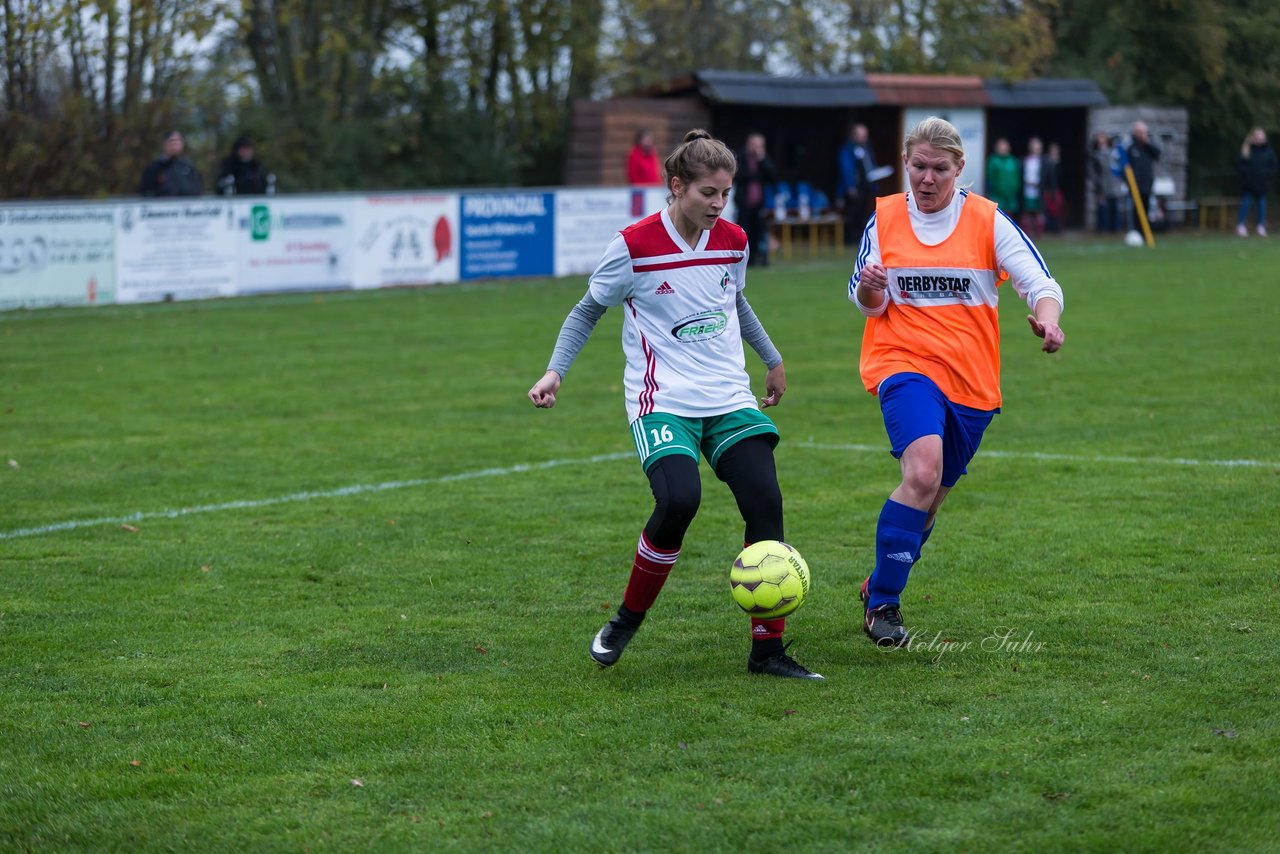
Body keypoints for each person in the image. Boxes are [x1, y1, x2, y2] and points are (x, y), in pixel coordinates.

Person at [528, 129, 822, 680]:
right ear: (676, 185)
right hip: (662, 400)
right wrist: (554, 371)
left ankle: (768, 651)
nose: (718, 204)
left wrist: (772, 357)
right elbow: (585, 311)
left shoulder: (733, 239)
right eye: (708, 192)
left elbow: (734, 300)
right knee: (678, 501)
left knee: (765, 500)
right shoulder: (634, 245)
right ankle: (626, 620)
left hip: (728, 394)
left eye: (725, 193)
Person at [846, 116, 1065, 647]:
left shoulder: (988, 221)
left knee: (929, 501)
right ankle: (884, 607)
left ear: (959, 168)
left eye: (938, 169)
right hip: (903, 365)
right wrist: (873, 288)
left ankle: (880, 580)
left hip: (970, 381)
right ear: (905, 164)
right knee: (922, 473)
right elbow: (865, 303)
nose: (926, 178)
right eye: (917, 166)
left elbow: (1041, 283)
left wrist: (1049, 318)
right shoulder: (883, 221)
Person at [732, 132, 776, 267]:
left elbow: (773, 176)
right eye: (755, 145)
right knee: (744, 231)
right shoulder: (740, 157)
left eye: (760, 145)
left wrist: (762, 161)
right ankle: (742, 259)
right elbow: (740, 175)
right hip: (744, 202)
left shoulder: (763, 160)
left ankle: (757, 258)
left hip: (759, 202)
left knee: (759, 232)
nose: (757, 148)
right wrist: (756, 176)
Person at [837, 123, 879, 247]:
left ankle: (861, 238)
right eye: (860, 135)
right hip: (854, 188)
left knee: (863, 213)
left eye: (865, 135)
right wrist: (850, 186)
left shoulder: (867, 149)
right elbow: (846, 168)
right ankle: (849, 239)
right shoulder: (847, 150)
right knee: (852, 214)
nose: (863, 138)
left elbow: (870, 165)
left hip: (866, 187)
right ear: (854, 136)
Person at [1235, 127, 1276, 237]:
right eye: (1257, 136)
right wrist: (1247, 174)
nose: (1259, 139)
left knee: (1261, 204)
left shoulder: (1268, 152)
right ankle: (1240, 225)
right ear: (1252, 138)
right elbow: (1239, 165)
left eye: (1261, 136)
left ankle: (1260, 226)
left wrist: (1267, 174)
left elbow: (1274, 166)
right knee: (1246, 203)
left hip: (1262, 183)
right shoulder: (1246, 150)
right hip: (1248, 184)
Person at [139, 130, 202, 197]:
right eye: (172, 141)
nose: (175, 145)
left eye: (178, 142)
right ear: (165, 144)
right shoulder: (155, 168)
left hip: (186, 206)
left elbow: (197, 191)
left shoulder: (189, 168)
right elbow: (147, 192)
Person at [1126, 121, 1161, 232]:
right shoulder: (1131, 148)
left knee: (1147, 208)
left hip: (1147, 183)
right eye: (1139, 132)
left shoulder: (1148, 146)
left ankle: (1146, 231)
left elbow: (1157, 154)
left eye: (1143, 132)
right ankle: (1135, 231)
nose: (1141, 134)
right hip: (1135, 184)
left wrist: (1147, 143)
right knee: (1136, 209)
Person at [1088, 132, 1118, 233]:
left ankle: (1114, 228)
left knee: (1113, 207)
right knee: (1102, 208)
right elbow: (1092, 172)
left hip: (1113, 185)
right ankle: (1102, 228)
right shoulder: (1095, 156)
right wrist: (1098, 182)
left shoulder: (1112, 153)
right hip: (1101, 186)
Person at [984, 138, 1020, 216]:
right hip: (997, 196)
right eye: (1001, 146)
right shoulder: (993, 160)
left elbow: (1017, 178)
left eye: (1005, 146)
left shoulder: (1012, 160)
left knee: (1010, 218)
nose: (1003, 148)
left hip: (1011, 197)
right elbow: (989, 178)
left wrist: (1015, 189)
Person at [1020, 137, 1044, 237]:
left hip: (1039, 191)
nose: (1035, 149)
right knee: (1027, 212)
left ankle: (1039, 233)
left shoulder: (1043, 161)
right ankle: (1027, 232)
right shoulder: (1025, 160)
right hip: (1028, 190)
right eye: (1034, 147)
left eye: (1037, 147)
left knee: (1038, 212)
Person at [1042, 142, 1063, 233]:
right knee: (1048, 209)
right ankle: (1048, 227)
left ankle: (1056, 227)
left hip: (1057, 190)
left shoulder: (1059, 163)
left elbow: (1061, 177)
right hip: (1048, 190)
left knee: (1056, 209)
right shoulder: (1046, 163)